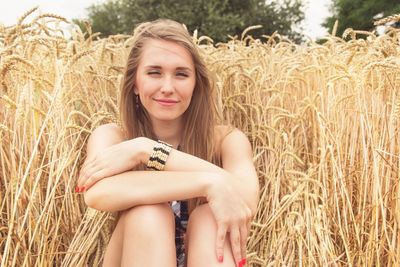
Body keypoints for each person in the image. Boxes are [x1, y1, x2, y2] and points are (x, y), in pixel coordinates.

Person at [76, 19, 259, 267]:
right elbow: (97, 194)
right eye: (154, 72)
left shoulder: (226, 140)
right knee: (149, 213)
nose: (168, 87)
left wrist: (147, 150)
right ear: (134, 84)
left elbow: (245, 198)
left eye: (181, 74)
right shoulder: (114, 138)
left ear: (196, 84)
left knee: (209, 218)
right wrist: (209, 183)